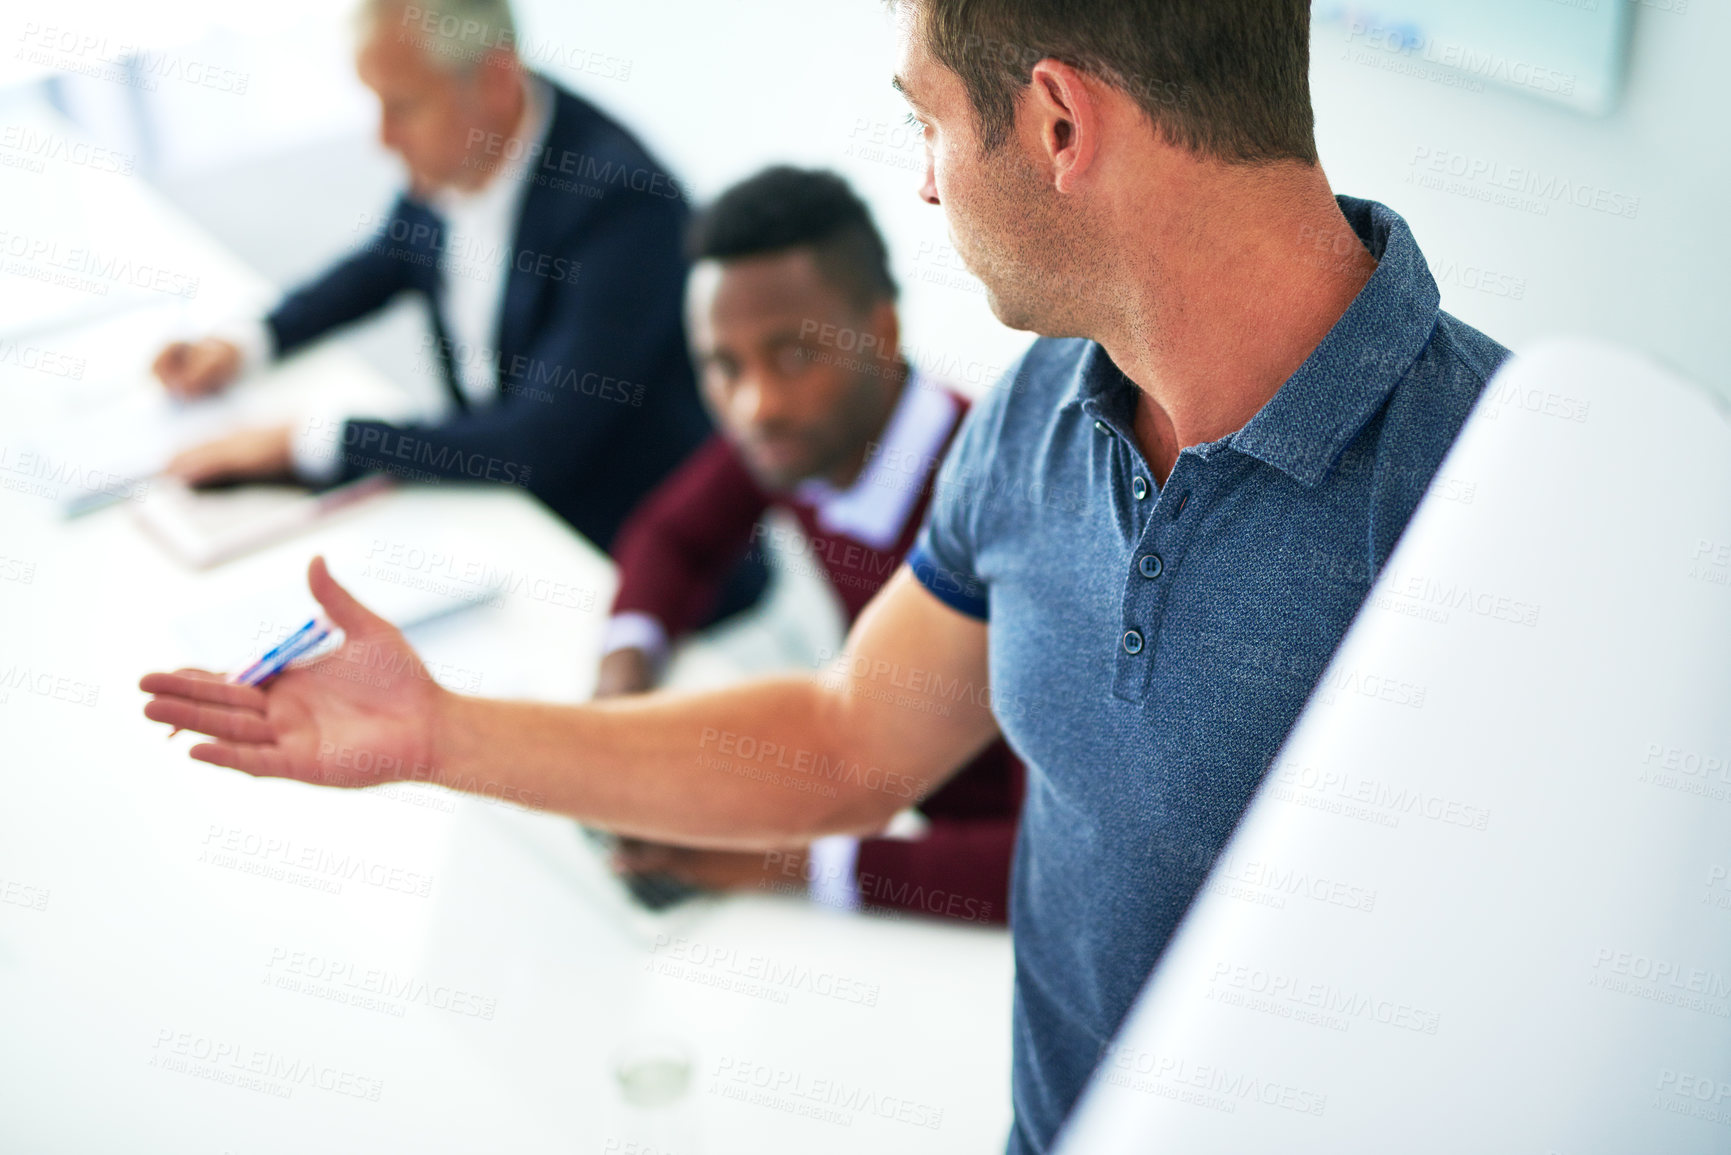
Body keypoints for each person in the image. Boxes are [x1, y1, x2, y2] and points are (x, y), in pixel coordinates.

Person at [140, 1, 1510, 1150]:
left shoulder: (1502, 497)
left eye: (924, 121)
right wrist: (445, 732)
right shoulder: (1039, 408)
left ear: (1051, 124)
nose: (920, 182)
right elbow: (847, 737)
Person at [597, 165, 1022, 924]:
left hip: (981, 901)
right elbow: (670, 538)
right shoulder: (800, 436)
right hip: (892, 813)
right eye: (722, 367)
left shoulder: (1011, 512)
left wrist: (772, 858)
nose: (754, 404)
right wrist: (618, 701)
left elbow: (1045, 862)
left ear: (881, 331)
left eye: (794, 355)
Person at [151, 0, 715, 552]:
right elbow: (383, 262)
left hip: (620, 552)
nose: (384, 138)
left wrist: (310, 442)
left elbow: (533, 442)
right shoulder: (460, 151)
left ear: (495, 79)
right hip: (497, 512)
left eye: (402, 107)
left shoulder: (625, 209)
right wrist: (252, 340)